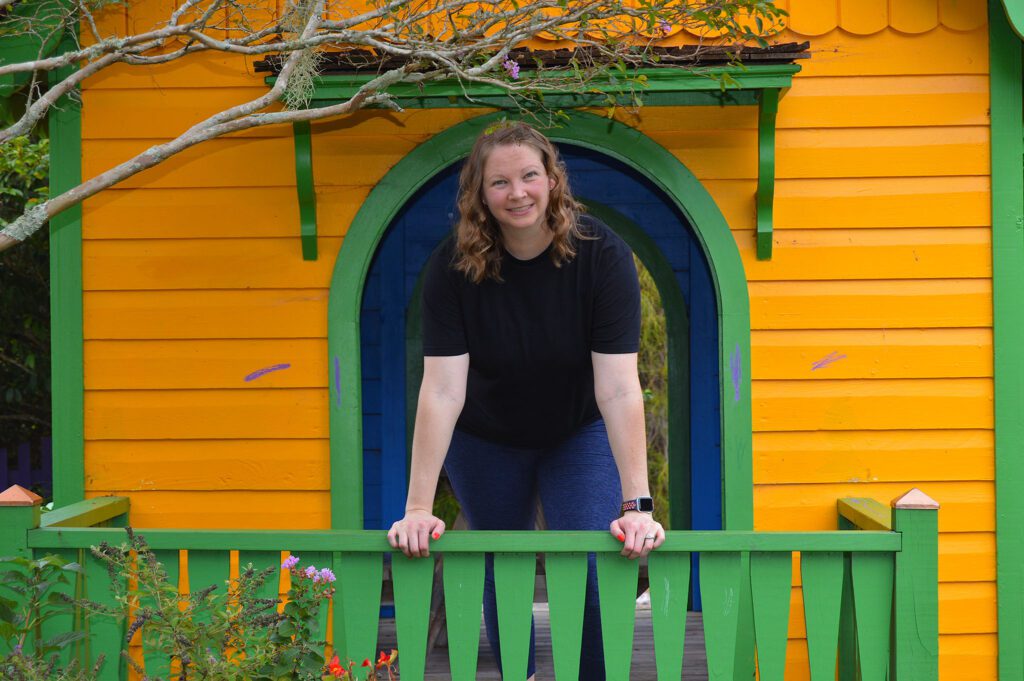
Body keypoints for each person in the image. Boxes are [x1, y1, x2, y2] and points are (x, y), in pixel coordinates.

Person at [386, 120, 664, 680]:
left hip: (575, 430)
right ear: (479, 196)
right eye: (499, 182)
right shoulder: (452, 266)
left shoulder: (601, 256)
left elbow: (617, 387)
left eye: (530, 176)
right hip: (486, 436)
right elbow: (442, 389)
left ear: (552, 180)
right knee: (500, 559)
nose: (518, 193)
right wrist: (417, 508)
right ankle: (522, 672)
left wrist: (638, 505)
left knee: (586, 557)